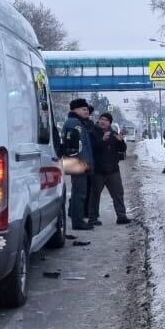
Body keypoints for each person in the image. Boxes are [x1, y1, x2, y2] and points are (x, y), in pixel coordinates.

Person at [62, 98, 96, 231]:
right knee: (79, 193)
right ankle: (78, 222)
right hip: (77, 162)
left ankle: (78, 219)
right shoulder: (74, 123)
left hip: (78, 161)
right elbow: (76, 146)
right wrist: (84, 163)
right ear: (74, 110)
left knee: (80, 192)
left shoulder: (78, 122)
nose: (86, 111)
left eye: (87, 109)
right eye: (84, 109)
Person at [91, 112, 131, 224]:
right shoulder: (93, 133)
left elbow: (122, 149)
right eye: (101, 119)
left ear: (110, 123)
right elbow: (92, 148)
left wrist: (120, 140)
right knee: (94, 195)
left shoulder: (113, 134)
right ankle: (93, 218)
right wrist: (102, 140)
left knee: (118, 194)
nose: (103, 121)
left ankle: (121, 216)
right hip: (98, 170)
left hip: (113, 170)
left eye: (106, 120)